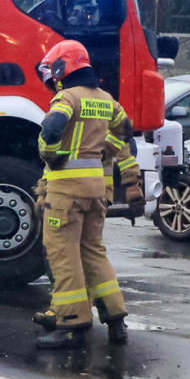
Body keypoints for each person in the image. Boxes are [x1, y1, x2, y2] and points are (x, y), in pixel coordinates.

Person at [32, 40, 144, 349]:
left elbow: (51, 130)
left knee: (63, 256)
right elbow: (126, 132)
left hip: (67, 192)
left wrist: (50, 154)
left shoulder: (66, 98)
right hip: (97, 190)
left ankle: (72, 324)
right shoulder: (107, 100)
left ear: (61, 68)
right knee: (94, 253)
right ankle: (115, 320)